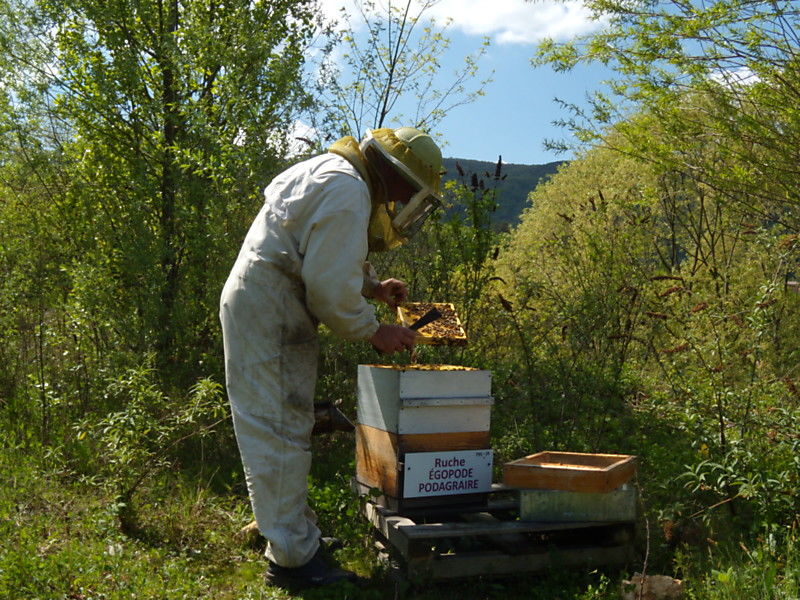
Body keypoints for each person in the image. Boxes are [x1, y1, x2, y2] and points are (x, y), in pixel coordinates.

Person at [219, 127, 443, 589]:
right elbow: (325, 285)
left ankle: (295, 537)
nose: (403, 201)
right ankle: (293, 563)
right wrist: (374, 330)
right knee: (279, 431)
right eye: (409, 190)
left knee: (286, 426)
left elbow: (322, 252)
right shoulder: (347, 190)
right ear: (393, 173)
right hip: (272, 309)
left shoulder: (334, 175)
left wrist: (373, 288)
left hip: (268, 302)